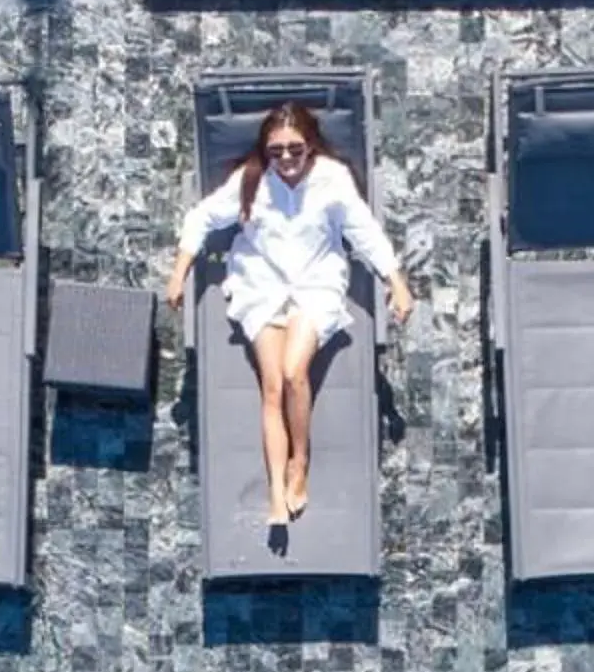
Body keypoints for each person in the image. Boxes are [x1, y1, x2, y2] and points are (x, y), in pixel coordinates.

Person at [163, 102, 415, 527]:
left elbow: (363, 230)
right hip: (261, 283)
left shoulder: (332, 179)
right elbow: (202, 217)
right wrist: (178, 273)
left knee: (295, 371)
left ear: (310, 145)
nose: (285, 160)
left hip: (315, 281)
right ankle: (277, 495)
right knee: (273, 386)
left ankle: (299, 460)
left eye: (294, 150)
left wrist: (396, 281)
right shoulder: (251, 180)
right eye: (275, 150)